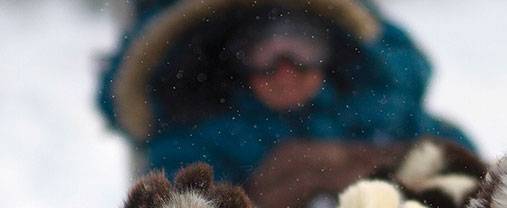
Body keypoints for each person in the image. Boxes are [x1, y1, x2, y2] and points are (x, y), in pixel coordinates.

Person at [96, 0, 477, 190]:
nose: (285, 71)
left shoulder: (377, 109)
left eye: (303, 49)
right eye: (264, 53)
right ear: (235, 60)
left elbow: (457, 159)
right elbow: (177, 205)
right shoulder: (204, 131)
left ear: (332, 52)